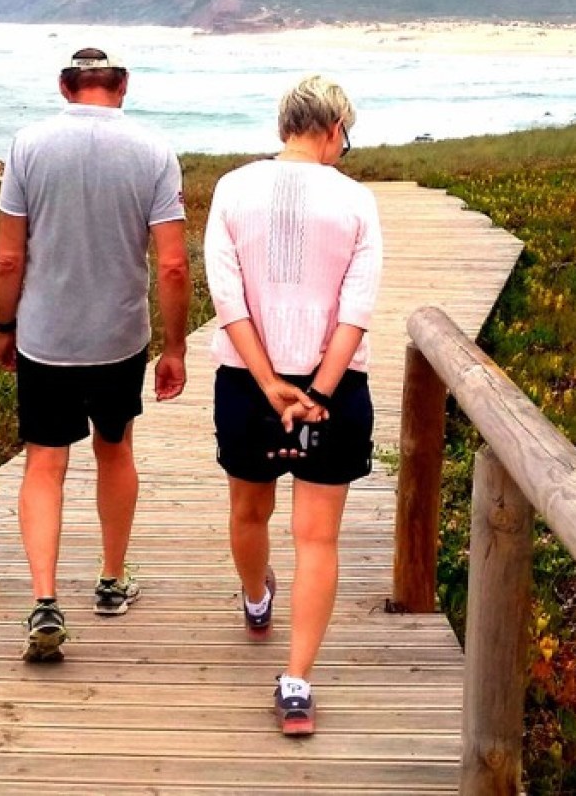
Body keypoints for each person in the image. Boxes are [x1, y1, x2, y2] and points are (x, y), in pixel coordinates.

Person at [0, 46, 192, 663]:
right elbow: (175, 264)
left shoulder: (28, 145)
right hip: (119, 337)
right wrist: (176, 345)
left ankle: (46, 600)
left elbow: (7, 257)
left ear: (64, 86)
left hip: (45, 338)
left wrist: (3, 325)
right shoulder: (154, 150)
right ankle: (110, 581)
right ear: (122, 86)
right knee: (115, 450)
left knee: (44, 464)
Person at [203, 74, 383, 735]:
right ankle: (298, 682)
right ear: (334, 128)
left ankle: (256, 598)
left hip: (248, 385)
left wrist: (269, 382)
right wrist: (316, 393)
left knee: (249, 510)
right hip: (332, 391)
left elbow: (228, 301)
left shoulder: (230, 189)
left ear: (287, 126)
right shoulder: (357, 200)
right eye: (346, 136)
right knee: (318, 537)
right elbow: (355, 312)